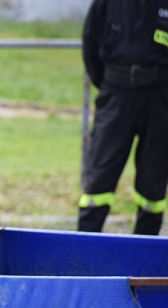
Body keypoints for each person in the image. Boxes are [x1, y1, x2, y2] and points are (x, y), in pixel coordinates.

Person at [78, 0, 168, 235]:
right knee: (98, 181)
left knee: (153, 185)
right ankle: (83, 257)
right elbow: (90, 42)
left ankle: (144, 257)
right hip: (115, 96)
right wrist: (111, 85)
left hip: (160, 100)